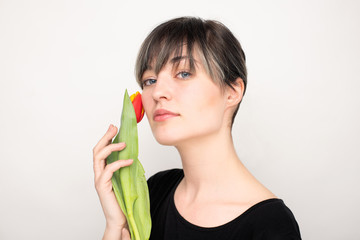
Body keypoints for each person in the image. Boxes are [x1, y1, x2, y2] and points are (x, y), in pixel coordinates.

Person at [93, 17, 301, 240]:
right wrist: (116, 225)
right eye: (150, 80)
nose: (157, 92)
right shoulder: (154, 192)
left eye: (183, 73)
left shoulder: (271, 226)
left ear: (232, 92)